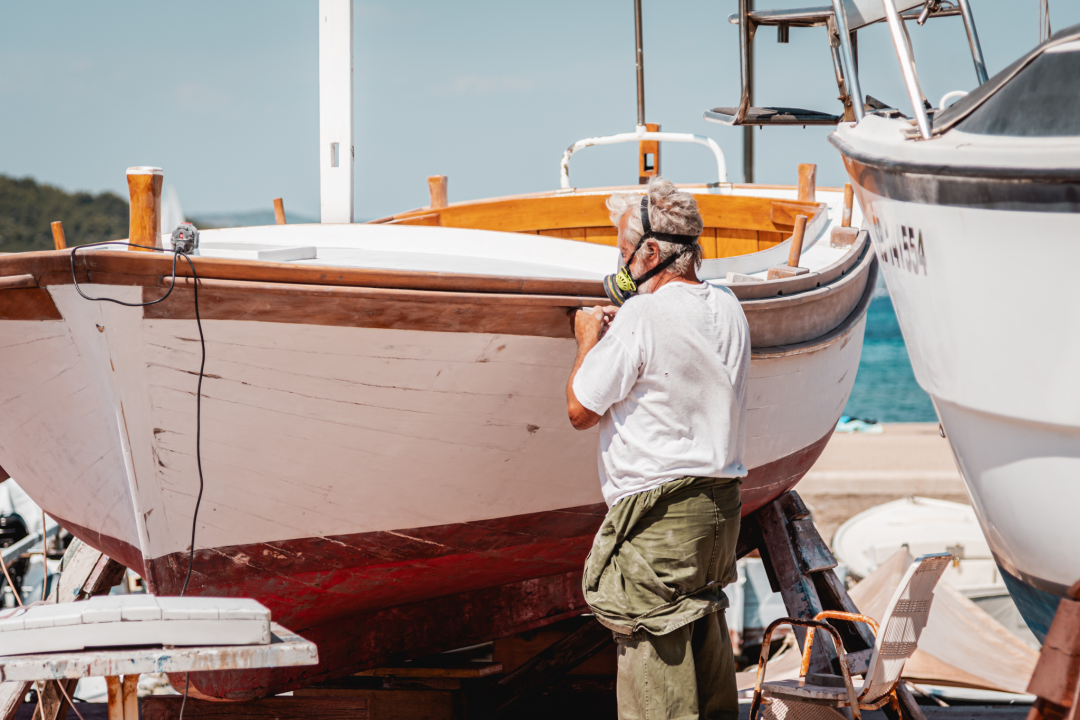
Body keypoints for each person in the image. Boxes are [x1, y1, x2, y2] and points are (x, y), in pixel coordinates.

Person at [565, 177, 751, 720]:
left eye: (624, 252)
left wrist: (586, 339)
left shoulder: (643, 316)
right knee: (706, 658)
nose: (620, 264)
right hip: (718, 513)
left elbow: (580, 409)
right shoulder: (729, 306)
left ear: (650, 252)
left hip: (659, 524)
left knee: (655, 684)